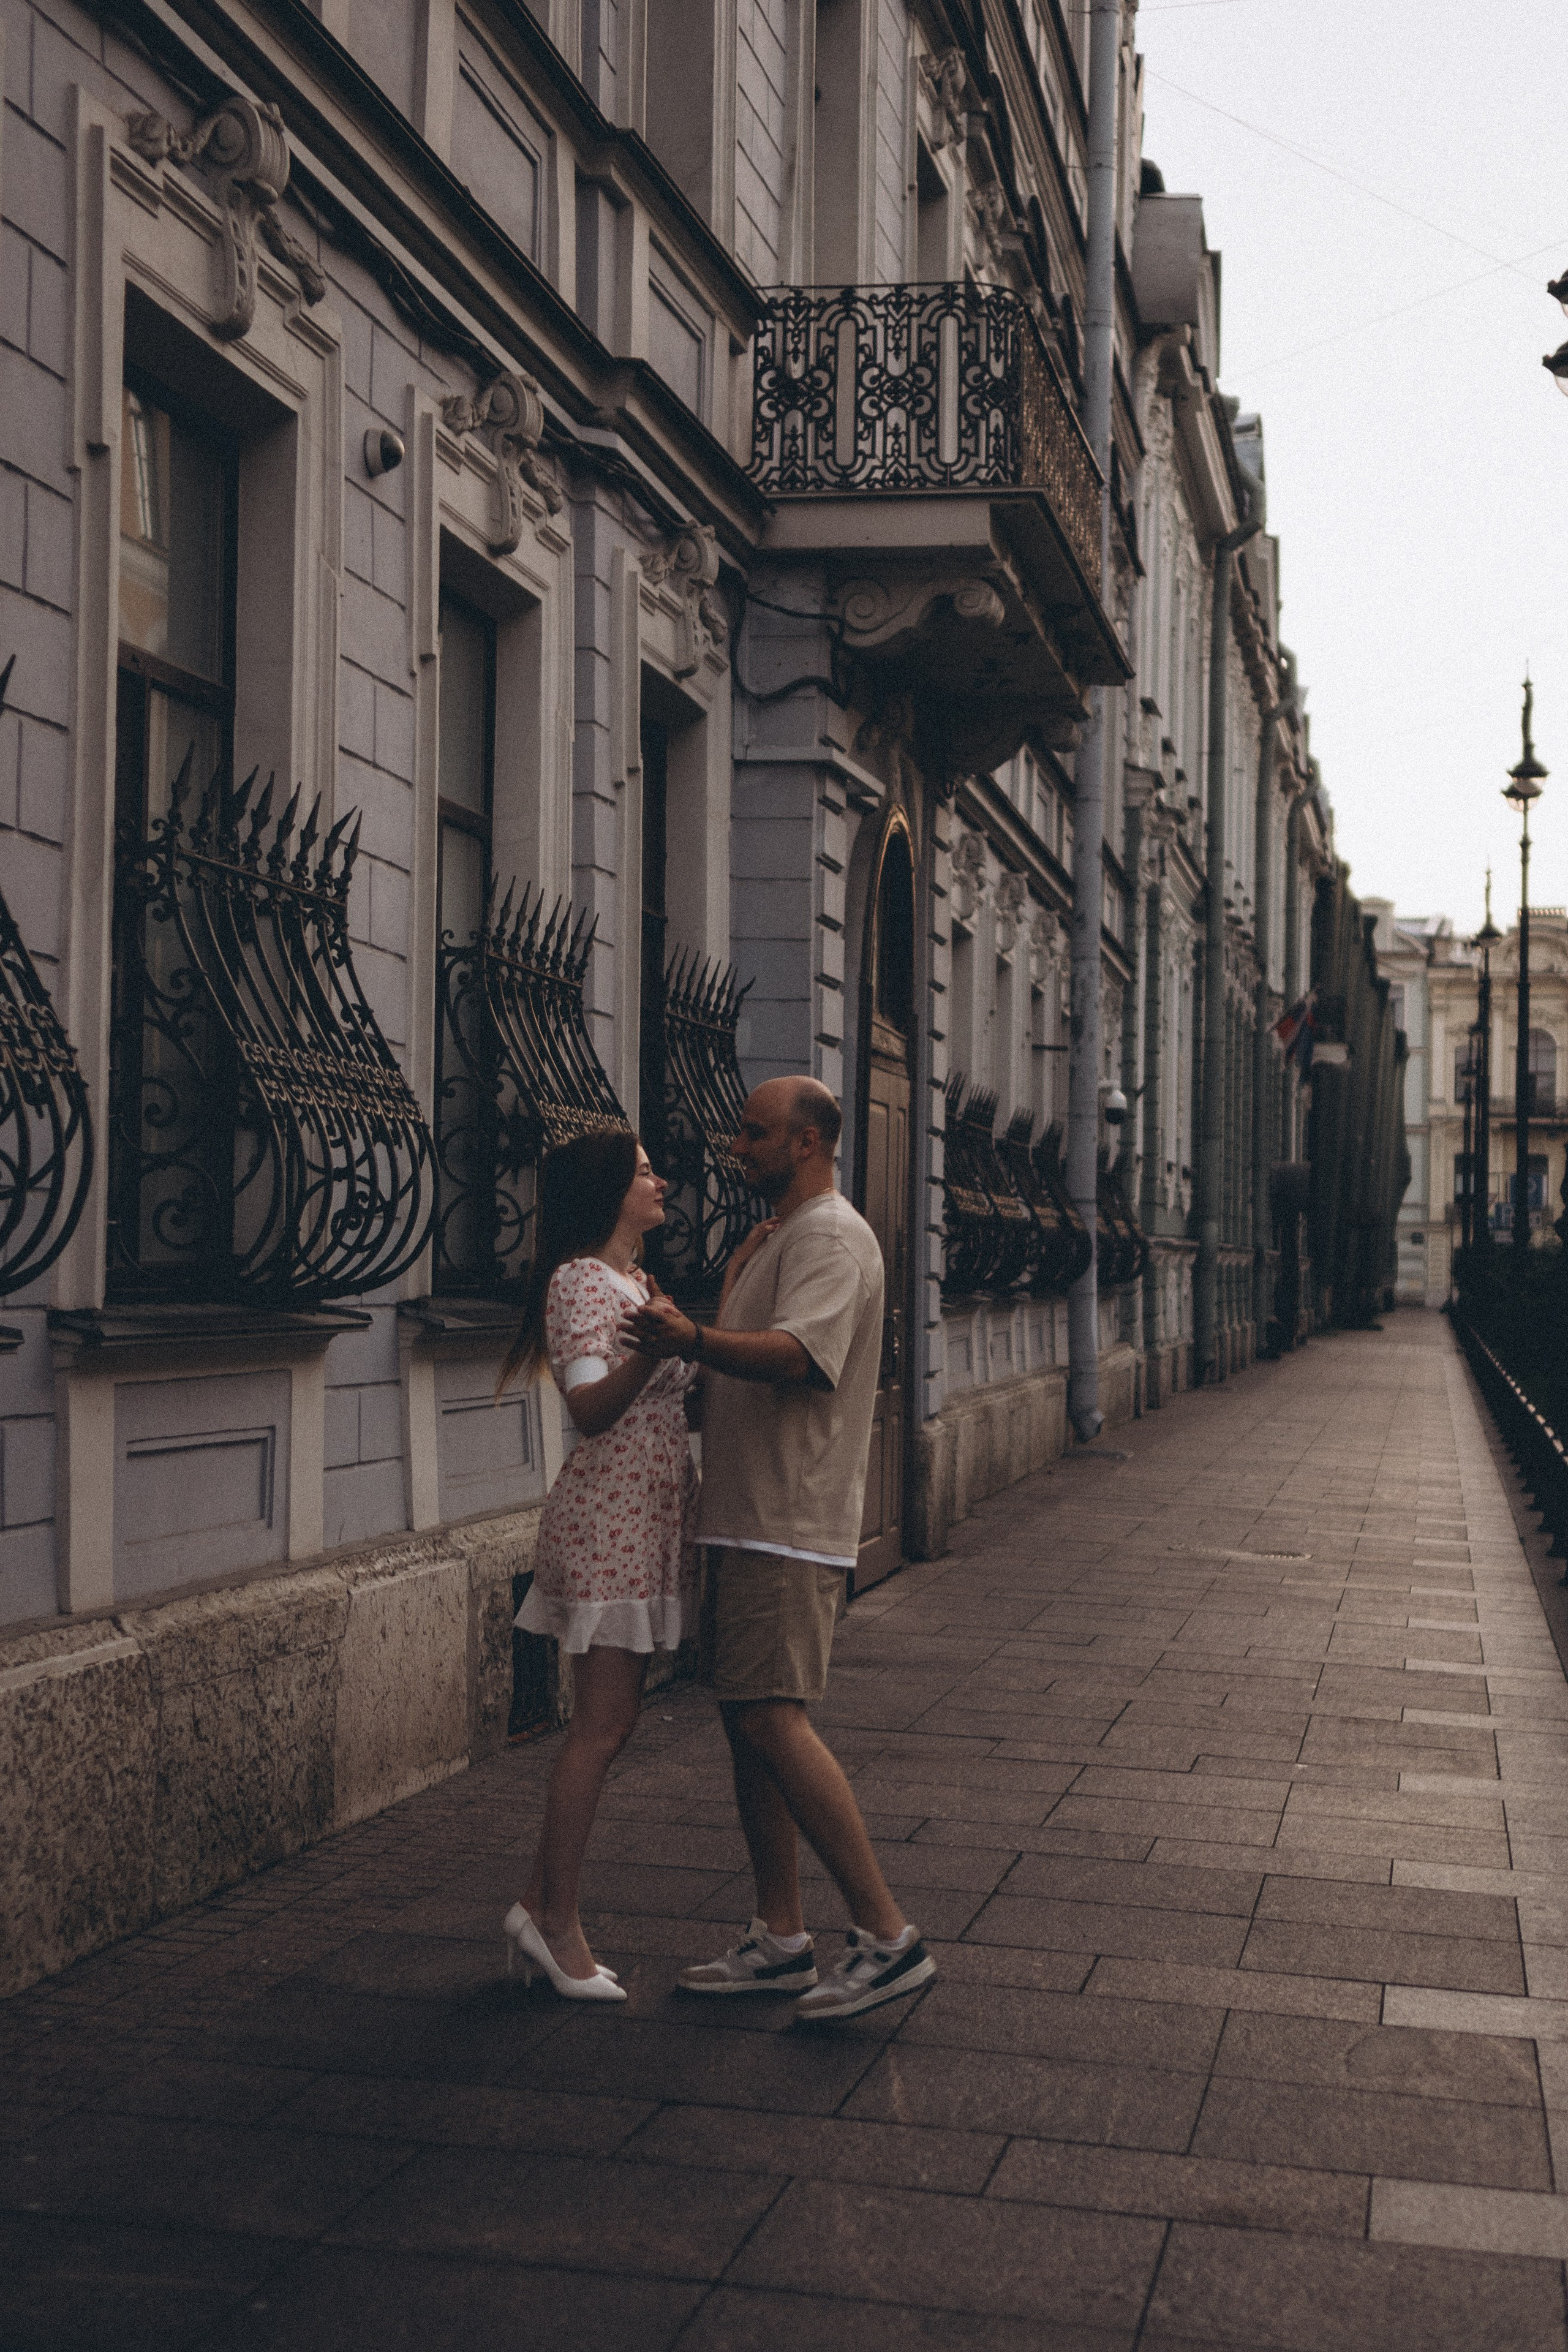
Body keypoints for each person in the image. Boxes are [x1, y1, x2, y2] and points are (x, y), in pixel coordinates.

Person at [622, 1076, 935, 2022]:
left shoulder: (834, 1237)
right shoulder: (781, 1239)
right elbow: (746, 1348)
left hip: (787, 1522)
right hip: (747, 1512)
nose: (735, 1146)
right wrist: (716, 1312)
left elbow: (798, 1356)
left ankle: (887, 1937)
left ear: (808, 1142)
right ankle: (780, 1936)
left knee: (772, 1721)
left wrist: (696, 1334)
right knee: (746, 1721)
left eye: (755, 1134)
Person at [496, 1128, 698, 2002]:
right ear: (610, 1190)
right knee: (602, 1727)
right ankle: (555, 1921)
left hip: (642, 1527)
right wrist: (658, 1347)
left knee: (611, 1724)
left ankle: (540, 1902)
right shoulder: (582, 1280)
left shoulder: (634, 1284)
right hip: (606, 1526)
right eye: (645, 1171)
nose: (659, 1181)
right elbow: (586, 1407)